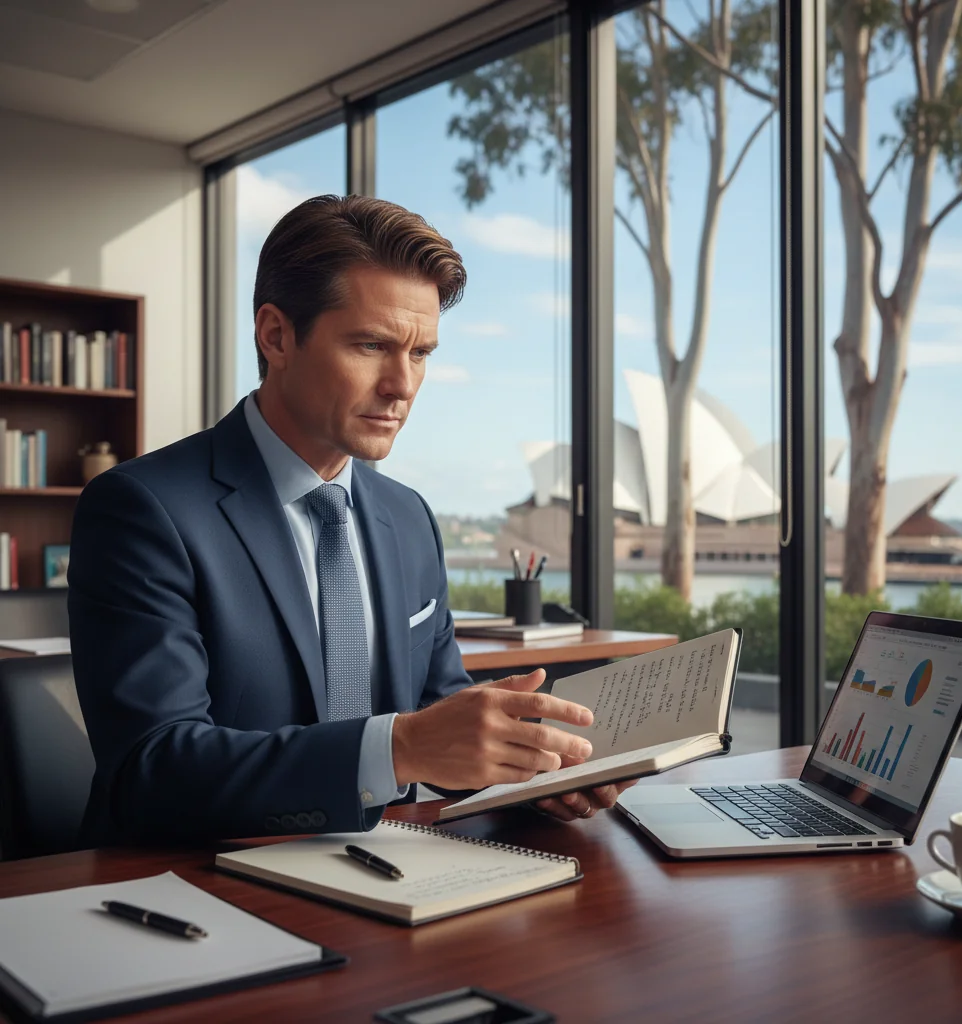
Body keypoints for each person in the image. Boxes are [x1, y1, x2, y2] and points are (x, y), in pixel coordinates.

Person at [69, 194, 633, 846]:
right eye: (372, 345)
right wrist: (397, 749)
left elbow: (438, 718)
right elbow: (152, 770)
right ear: (276, 335)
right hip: (190, 886)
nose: (403, 385)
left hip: (388, 871)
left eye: (421, 353)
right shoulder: (142, 509)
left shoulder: (409, 516)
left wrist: (531, 767)